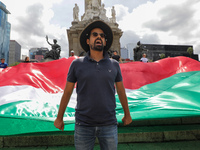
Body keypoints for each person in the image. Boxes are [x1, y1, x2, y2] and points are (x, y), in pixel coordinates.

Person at [54, 20, 132, 150]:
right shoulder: (77, 64)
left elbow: (121, 90)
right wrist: (59, 117)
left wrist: (127, 114)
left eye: (102, 36)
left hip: (109, 123)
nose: (99, 37)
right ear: (88, 41)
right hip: (83, 124)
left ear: (105, 42)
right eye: (94, 35)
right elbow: (67, 92)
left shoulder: (114, 64)